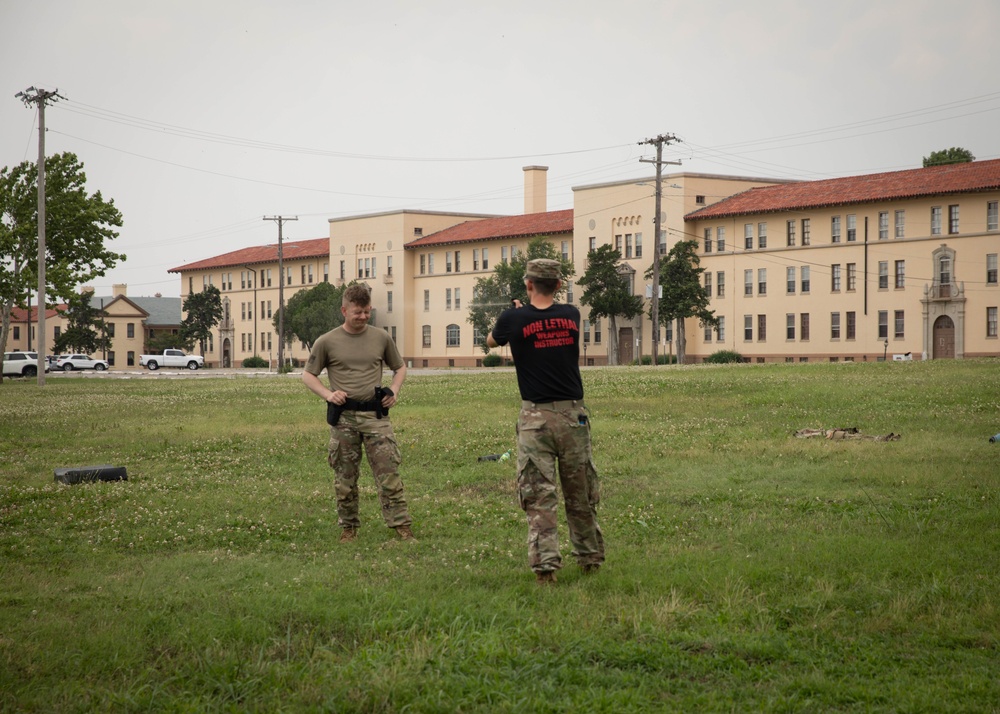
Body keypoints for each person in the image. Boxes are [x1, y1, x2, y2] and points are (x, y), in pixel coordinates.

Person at [487, 258, 604, 584]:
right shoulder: (571, 315)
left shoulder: (513, 318)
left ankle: (546, 569)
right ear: (558, 285)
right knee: (579, 492)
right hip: (573, 416)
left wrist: (514, 313)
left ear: (528, 284)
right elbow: (548, 317)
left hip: (535, 418)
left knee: (539, 497)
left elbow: (492, 341)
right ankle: (589, 558)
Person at [303, 284, 415, 542]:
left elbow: (400, 367)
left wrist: (394, 391)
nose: (363, 317)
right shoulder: (326, 341)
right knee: (345, 477)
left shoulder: (381, 338)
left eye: (367, 312)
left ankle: (401, 526)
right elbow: (308, 376)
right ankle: (349, 527)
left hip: (376, 417)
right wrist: (328, 395)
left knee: (389, 473)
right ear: (344, 310)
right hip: (344, 418)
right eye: (358, 312)